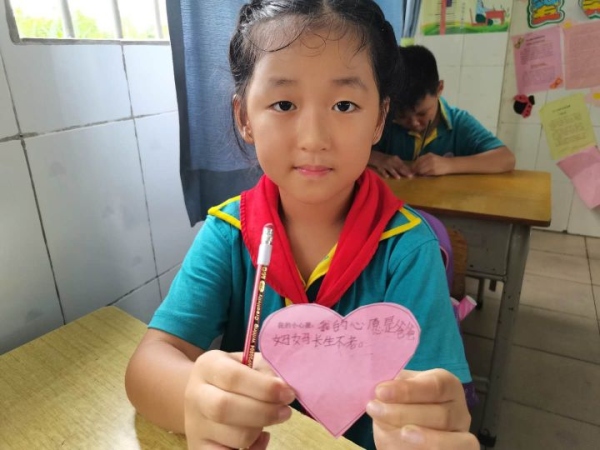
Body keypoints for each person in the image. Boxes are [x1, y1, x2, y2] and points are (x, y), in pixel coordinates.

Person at [125, 2, 479, 449]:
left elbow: (440, 399)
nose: (314, 138)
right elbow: (148, 366)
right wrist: (195, 399)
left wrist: (431, 425)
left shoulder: (407, 248)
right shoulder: (228, 231)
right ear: (245, 118)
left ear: (378, 120)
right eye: (284, 104)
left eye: (344, 105)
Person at [369, 44, 515, 179]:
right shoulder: (386, 120)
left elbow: (506, 158)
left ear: (439, 89)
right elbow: (354, 149)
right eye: (401, 116)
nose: (414, 123)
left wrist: (449, 165)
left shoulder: (458, 123)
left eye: (422, 114)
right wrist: (378, 158)